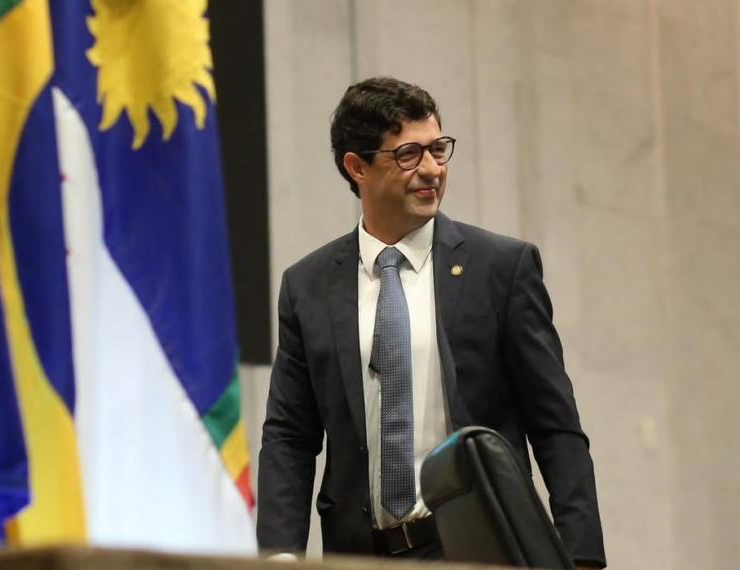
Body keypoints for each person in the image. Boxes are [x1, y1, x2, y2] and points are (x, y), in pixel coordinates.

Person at [256, 76, 606, 567]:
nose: (432, 169)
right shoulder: (307, 286)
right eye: (408, 155)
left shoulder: (501, 269)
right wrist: (279, 555)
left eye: (438, 149)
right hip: (359, 554)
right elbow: (289, 436)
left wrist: (581, 556)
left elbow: (555, 425)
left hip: (477, 551)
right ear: (357, 167)